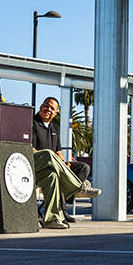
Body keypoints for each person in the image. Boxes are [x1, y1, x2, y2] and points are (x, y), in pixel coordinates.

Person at [32, 96, 99, 229]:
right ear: (41, 106)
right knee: (48, 154)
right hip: (35, 163)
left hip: (51, 166)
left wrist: (62, 163)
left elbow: (58, 151)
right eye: (46, 105)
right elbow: (31, 148)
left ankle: (52, 219)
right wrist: (58, 162)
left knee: (80, 168)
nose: (48, 109)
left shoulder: (53, 128)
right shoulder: (31, 122)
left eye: (52, 108)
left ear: (56, 112)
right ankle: (78, 188)